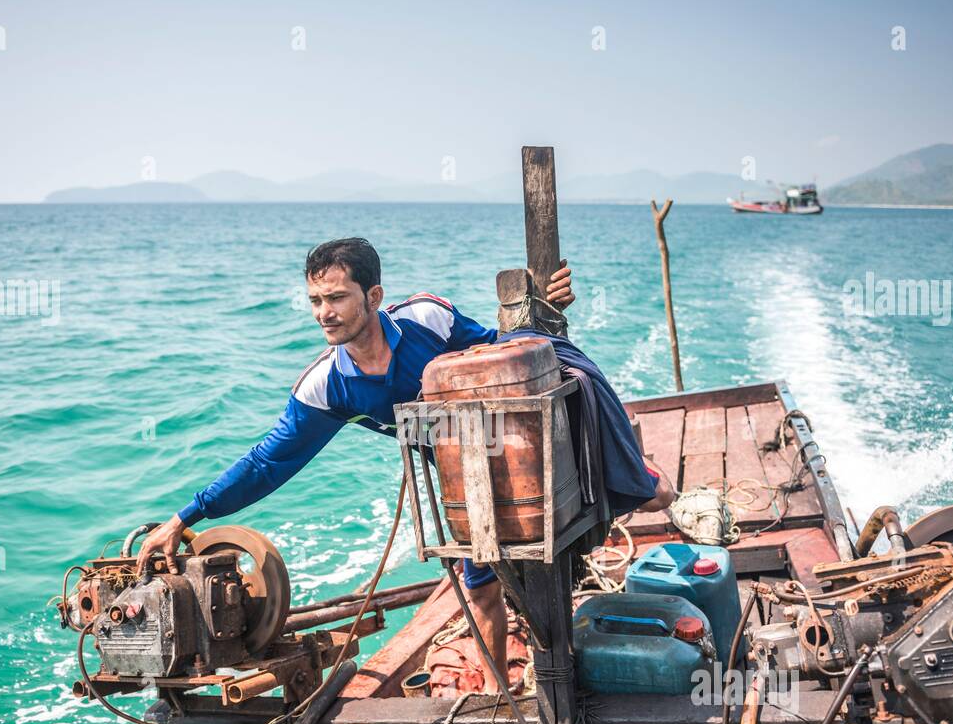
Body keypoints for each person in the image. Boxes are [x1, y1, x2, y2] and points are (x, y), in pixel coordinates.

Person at [135, 238, 676, 692]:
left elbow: (503, 350)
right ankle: (496, 697)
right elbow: (267, 462)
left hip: (516, 437)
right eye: (315, 300)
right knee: (482, 583)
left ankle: (644, 474)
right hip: (461, 470)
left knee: (646, 498)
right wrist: (185, 517)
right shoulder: (328, 387)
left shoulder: (426, 319)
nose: (325, 312)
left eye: (337, 297)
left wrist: (547, 313)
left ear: (374, 296)